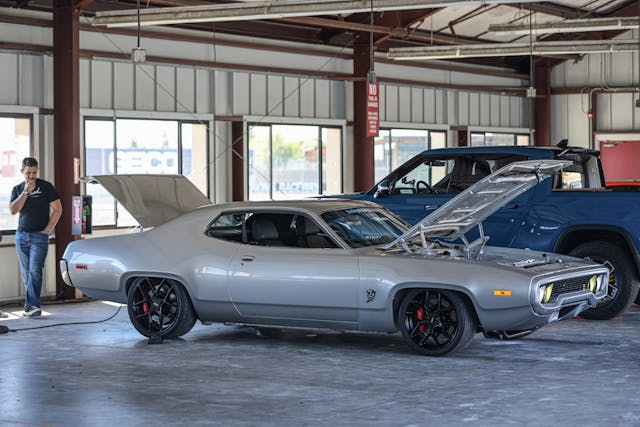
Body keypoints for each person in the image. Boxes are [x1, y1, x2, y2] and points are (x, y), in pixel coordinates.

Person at [9, 157, 62, 317]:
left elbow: (58, 209)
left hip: (40, 236)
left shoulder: (46, 187)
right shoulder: (17, 189)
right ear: (22, 172)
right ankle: (32, 305)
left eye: (34, 172)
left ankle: (33, 306)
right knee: (26, 273)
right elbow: (13, 210)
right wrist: (26, 191)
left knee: (35, 271)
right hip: (22, 235)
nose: (31, 176)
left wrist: (47, 229)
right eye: (28, 173)